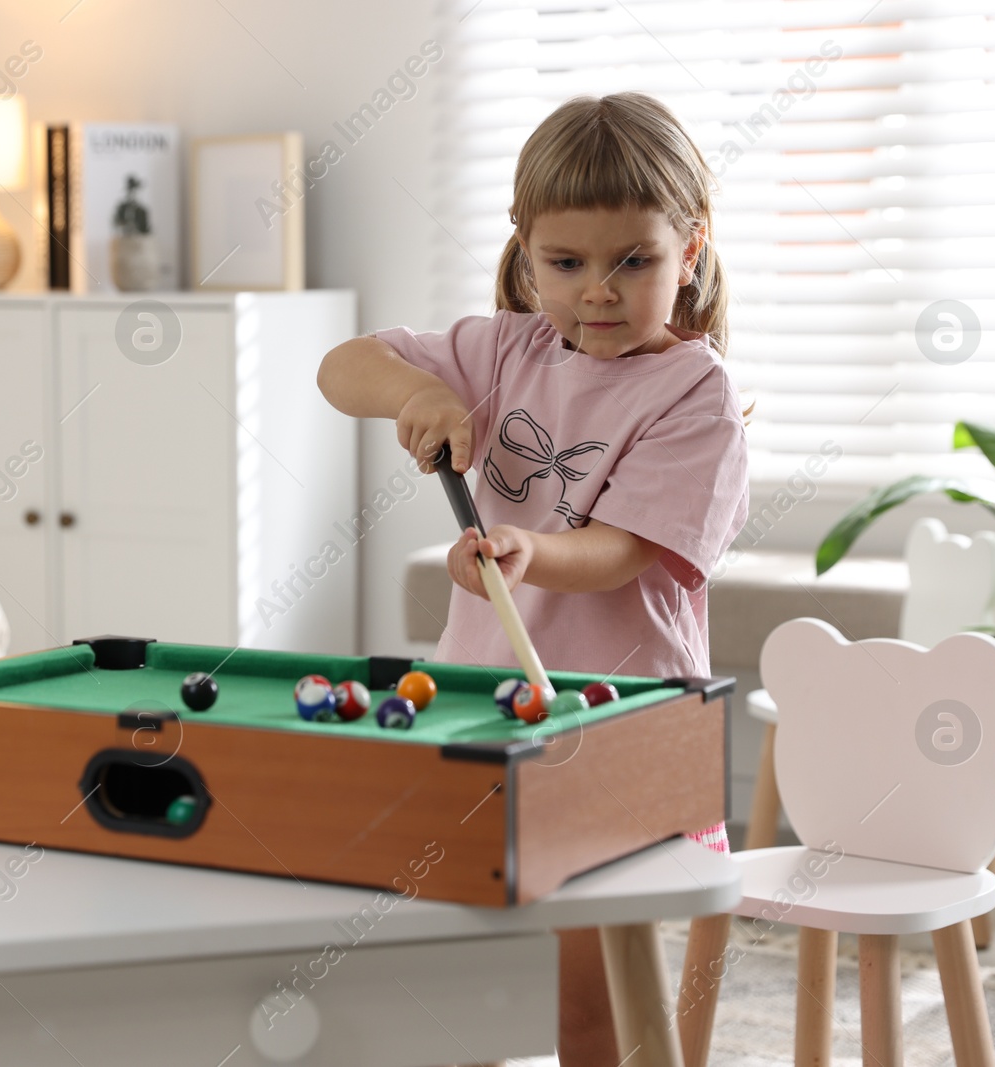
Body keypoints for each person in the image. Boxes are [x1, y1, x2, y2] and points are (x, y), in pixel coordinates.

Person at [317, 91, 749, 1064]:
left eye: (631, 260)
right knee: (462, 981)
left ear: (690, 248)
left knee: (579, 1004)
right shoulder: (504, 347)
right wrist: (419, 390)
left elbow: (624, 548)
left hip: (613, 721)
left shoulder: (695, 392)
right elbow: (343, 368)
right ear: (526, 255)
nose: (597, 290)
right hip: (484, 706)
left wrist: (528, 549)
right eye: (565, 262)